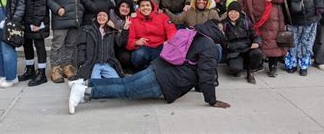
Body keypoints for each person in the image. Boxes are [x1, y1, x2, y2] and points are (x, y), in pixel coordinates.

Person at [68, 20, 230, 115]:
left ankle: (85, 83)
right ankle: (86, 92)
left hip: (159, 66)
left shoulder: (197, 33)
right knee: (126, 91)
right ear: (219, 33)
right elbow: (206, 74)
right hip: (165, 80)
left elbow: (193, 64)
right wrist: (212, 100)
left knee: (125, 83)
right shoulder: (210, 47)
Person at [238, 0, 287, 77]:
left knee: (272, 42)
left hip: (271, 16)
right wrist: (242, 11)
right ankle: (258, 63)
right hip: (253, 17)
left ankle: (273, 66)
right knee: (258, 41)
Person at [277, 0, 324, 76]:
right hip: (293, 15)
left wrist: (319, 5)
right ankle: (291, 63)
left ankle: (304, 64)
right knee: (293, 41)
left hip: (311, 12)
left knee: (307, 41)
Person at [47, 0, 84, 83]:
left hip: (74, 17)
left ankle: (67, 67)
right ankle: (55, 69)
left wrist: (80, 9)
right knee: (58, 45)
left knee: (70, 44)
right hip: (61, 17)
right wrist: (57, 9)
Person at [17, 0, 53, 86]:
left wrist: (37, 21)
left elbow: (41, 0)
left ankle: (42, 73)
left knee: (39, 44)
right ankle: (30, 69)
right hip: (25, 16)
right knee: (27, 44)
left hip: (38, 17)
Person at [126, 0, 177, 71]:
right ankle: (146, 70)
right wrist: (136, 42)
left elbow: (171, 31)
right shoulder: (133, 20)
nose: (145, 8)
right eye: (142, 6)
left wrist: (169, 42)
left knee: (169, 53)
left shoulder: (162, 16)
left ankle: (155, 69)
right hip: (145, 47)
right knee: (138, 55)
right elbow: (129, 39)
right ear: (139, 8)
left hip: (161, 45)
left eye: (147, 5)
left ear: (152, 7)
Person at [76, 9, 128, 80]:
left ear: (108, 19)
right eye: (99, 15)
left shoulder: (111, 31)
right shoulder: (88, 30)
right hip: (94, 64)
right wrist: (81, 63)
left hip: (107, 64)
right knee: (95, 83)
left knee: (117, 81)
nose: (102, 17)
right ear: (96, 17)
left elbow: (120, 43)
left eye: (104, 15)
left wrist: (125, 29)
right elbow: (82, 47)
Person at [222, 1, 262, 84]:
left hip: (247, 48)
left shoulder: (246, 22)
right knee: (235, 69)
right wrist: (228, 46)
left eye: (235, 12)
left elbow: (255, 35)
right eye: (231, 12)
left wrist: (256, 42)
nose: (233, 14)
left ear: (239, 13)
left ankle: (250, 71)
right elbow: (223, 41)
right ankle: (240, 65)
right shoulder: (224, 24)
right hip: (234, 51)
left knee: (257, 53)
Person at [109, 0, 135, 71]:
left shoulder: (132, 19)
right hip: (111, 43)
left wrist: (115, 28)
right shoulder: (111, 13)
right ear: (119, 7)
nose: (125, 9)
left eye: (128, 7)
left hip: (123, 45)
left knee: (125, 58)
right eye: (123, 6)